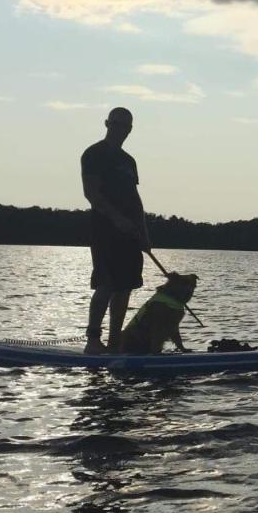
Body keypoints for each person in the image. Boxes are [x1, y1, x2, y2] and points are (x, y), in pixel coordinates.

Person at [81, 107, 150, 354]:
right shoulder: (94, 154)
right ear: (107, 123)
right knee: (107, 284)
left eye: (125, 126)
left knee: (125, 286)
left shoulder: (128, 161)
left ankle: (114, 342)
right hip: (105, 230)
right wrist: (116, 218)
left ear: (130, 129)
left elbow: (134, 197)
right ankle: (92, 340)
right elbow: (91, 192)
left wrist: (143, 231)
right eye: (116, 124)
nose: (120, 129)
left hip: (130, 233)